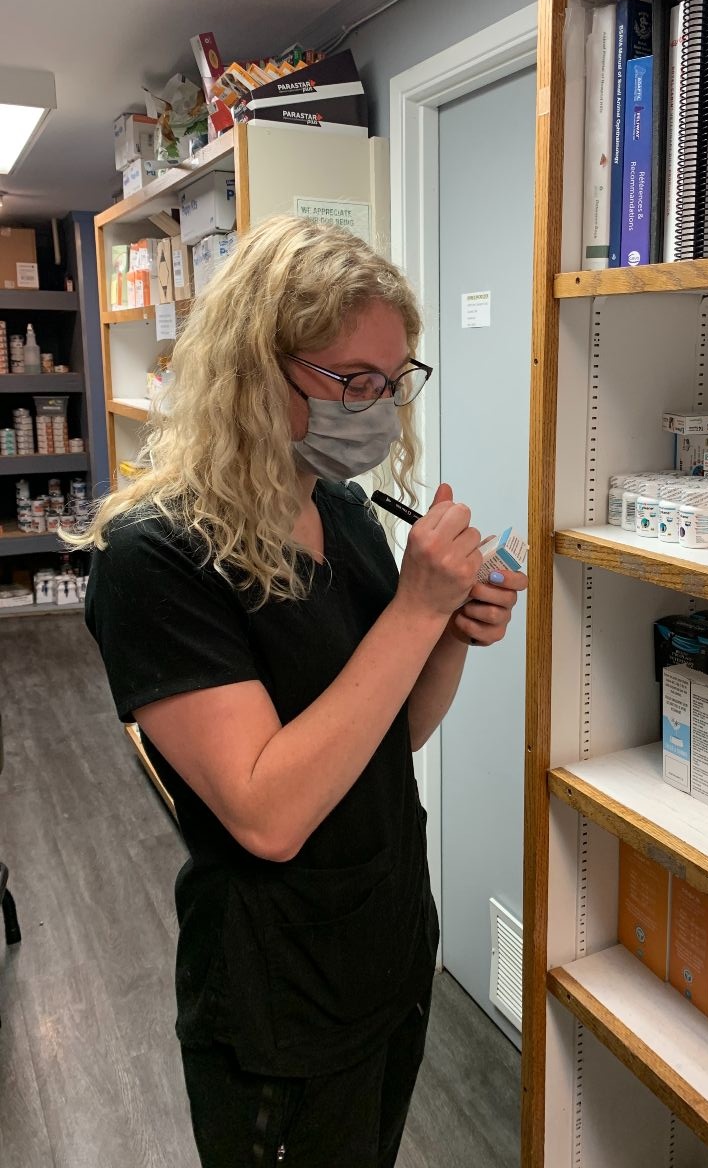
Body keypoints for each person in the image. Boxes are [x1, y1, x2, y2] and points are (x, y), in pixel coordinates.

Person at [75, 215, 527, 1166]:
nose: (378, 408)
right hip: (280, 998)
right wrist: (413, 614)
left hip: (388, 948)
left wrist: (446, 637)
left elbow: (386, 738)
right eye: (350, 382)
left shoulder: (343, 511)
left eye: (393, 382)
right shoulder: (157, 555)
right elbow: (270, 812)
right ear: (253, 368)